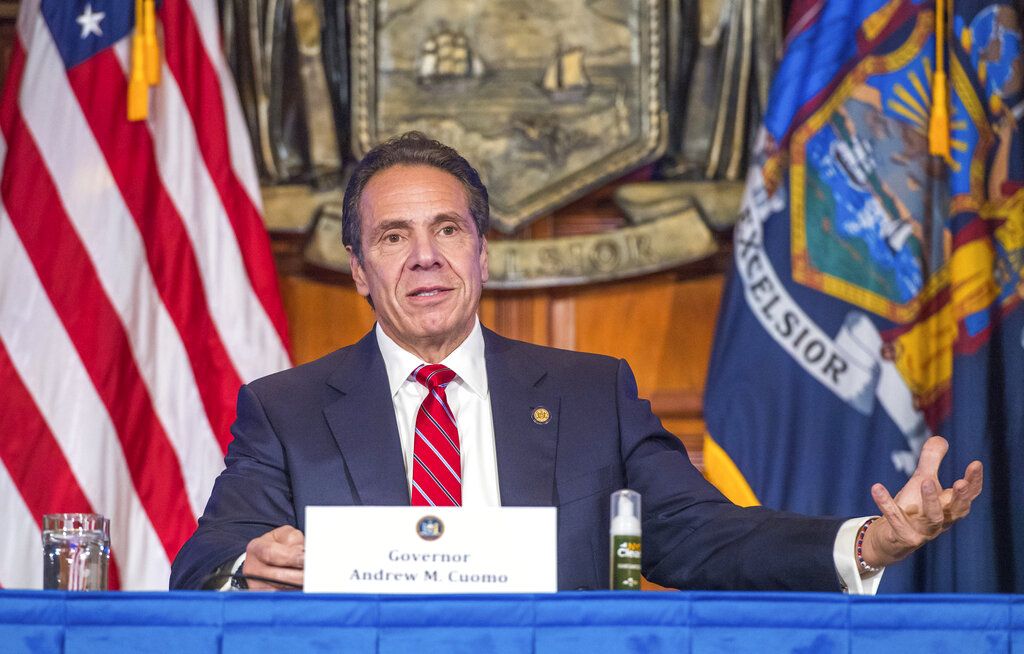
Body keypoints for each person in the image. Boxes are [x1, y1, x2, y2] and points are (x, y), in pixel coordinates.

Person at [169, 132, 983, 592]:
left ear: (483, 254)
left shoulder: (594, 394)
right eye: (393, 237)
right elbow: (203, 561)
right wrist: (249, 563)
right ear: (358, 270)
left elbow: (703, 535)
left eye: (448, 230)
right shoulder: (287, 407)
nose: (425, 258)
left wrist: (870, 541)